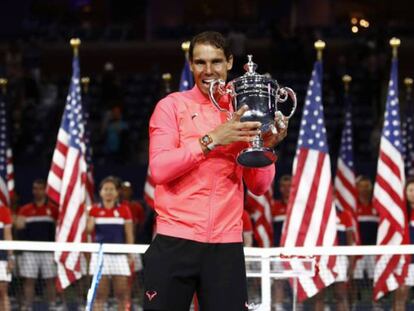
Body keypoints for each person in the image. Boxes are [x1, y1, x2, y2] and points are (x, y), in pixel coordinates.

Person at [143, 31, 288, 311]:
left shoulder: (242, 110)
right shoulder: (171, 106)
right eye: (200, 63)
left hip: (225, 245)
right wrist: (213, 140)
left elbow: (258, 186)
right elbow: (160, 170)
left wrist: (265, 148)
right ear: (190, 65)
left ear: (230, 62)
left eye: (216, 62)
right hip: (176, 241)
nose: (208, 71)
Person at [86, 176, 134, 311]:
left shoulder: (124, 209)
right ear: (100, 192)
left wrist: (130, 253)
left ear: (117, 192)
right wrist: (86, 215)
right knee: (100, 295)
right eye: (105, 189)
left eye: (112, 189)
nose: (108, 192)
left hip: (119, 257)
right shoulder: (94, 210)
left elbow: (129, 234)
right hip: (100, 257)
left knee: (122, 294)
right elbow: (88, 230)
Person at [15, 179, 59, 310]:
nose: (37, 191)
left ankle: (52, 305)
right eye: (35, 188)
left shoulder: (53, 209)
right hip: (30, 251)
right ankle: (27, 305)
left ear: (46, 190)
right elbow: (18, 226)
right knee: (29, 280)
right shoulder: (25, 209)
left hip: (49, 251)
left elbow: (58, 228)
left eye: (40, 188)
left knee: (50, 280)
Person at [353, 176, 378, 288]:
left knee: (375, 276)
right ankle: (355, 303)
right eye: (361, 186)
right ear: (357, 187)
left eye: (367, 186)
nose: (364, 189)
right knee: (355, 278)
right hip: (357, 248)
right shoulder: (352, 205)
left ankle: (376, 303)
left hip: (374, 248)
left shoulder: (377, 205)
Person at [393, 177, 414, 310]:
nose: (413, 193)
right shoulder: (399, 214)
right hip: (406, 261)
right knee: (400, 296)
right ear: (405, 192)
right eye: (410, 190)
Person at [272, 175, 291, 311]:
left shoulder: (300, 207)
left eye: (289, 185)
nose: (286, 189)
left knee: (298, 283)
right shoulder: (274, 207)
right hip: (279, 251)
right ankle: (278, 307)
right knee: (278, 282)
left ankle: (299, 307)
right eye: (283, 186)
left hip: (298, 252)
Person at [0, 203, 14, 311]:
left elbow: (8, 235)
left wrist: (11, 257)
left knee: (2, 293)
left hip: (2, 259)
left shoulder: (3, 210)